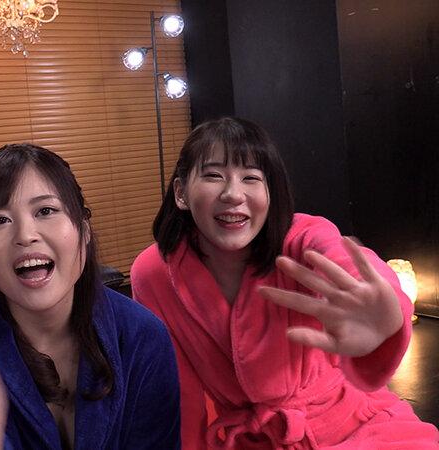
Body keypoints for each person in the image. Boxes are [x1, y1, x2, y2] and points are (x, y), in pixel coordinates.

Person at [131, 116, 439, 448]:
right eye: (214, 175)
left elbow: (346, 261)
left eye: (251, 178)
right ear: (181, 193)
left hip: (359, 429)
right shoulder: (153, 273)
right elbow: (179, 395)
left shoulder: (304, 238)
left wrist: (387, 310)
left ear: (271, 193)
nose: (233, 194)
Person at [0, 143, 181, 449]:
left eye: (46, 211)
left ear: (83, 229)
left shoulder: (142, 335)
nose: (25, 235)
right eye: (0, 220)